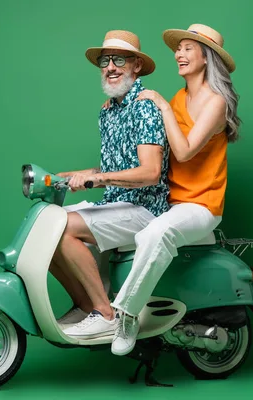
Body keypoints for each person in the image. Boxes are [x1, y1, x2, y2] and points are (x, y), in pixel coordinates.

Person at [105, 23, 243, 355]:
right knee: (103, 230)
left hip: (201, 206)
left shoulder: (216, 102)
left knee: (156, 234)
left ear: (206, 57)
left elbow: (183, 151)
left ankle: (125, 315)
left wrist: (162, 106)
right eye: (178, 49)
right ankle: (96, 310)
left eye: (187, 48)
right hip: (169, 201)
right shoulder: (180, 97)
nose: (178, 54)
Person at [51, 30, 170, 339]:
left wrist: (98, 179)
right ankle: (84, 305)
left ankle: (105, 313)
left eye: (119, 59)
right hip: (116, 203)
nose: (111, 67)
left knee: (63, 228)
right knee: (46, 230)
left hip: (145, 209)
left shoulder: (144, 106)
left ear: (137, 66)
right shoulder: (109, 111)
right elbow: (109, 169)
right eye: (106, 60)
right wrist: (61, 178)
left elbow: (150, 172)